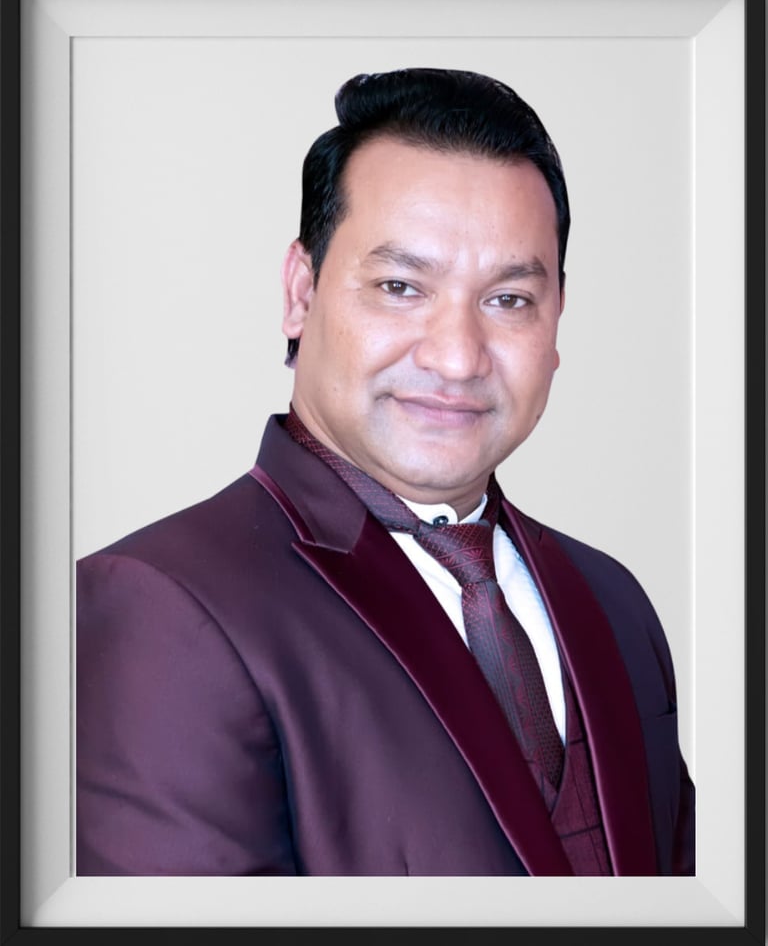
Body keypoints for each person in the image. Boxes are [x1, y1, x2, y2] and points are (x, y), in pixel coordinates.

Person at [76, 67, 694, 877]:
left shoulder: (613, 602)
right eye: (401, 287)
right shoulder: (160, 610)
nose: (457, 356)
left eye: (508, 299)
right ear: (301, 293)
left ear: (556, 323)